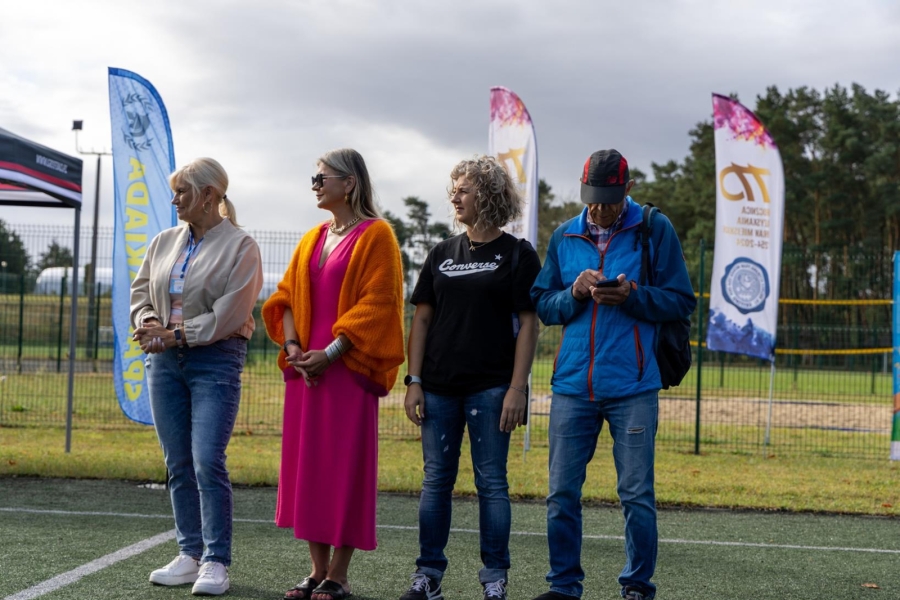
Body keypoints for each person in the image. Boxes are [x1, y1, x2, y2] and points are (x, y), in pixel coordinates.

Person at [530, 149, 696, 600]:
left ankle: (637, 586)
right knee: (561, 494)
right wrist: (574, 293)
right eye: (592, 197)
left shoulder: (653, 228)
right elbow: (543, 304)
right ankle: (564, 587)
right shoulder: (565, 236)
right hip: (571, 388)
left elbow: (681, 299)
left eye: (608, 198)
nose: (600, 207)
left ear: (628, 188)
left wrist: (633, 294)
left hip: (633, 386)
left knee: (636, 495)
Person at [262, 148, 405, 600]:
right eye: (314, 177)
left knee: (344, 468)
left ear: (351, 183)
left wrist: (333, 350)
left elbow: (380, 305)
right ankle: (315, 571)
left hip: (346, 370)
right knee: (309, 470)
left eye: (323, 177)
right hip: (307, 371)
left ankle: (338, 575)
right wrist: (294, 349)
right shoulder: (310, 238)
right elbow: (283, 299)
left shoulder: (378, 235)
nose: (315, 184)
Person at [400, 156, 541, 600]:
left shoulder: (518, 254)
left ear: (488, 194)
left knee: (491, 483)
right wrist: (414, 380)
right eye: (454, 190)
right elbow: (421, 320)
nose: (455, 197)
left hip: (493, 388)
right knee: (436, 480)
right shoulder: (442, 253)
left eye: (464, 189)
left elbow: (530, 325)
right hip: (438, 388)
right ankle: (428, 576)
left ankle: (495, 578)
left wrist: (517, 389)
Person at [131, 157, 263, 596]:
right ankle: (189, 555)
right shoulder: (164, 240)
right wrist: (149, 321)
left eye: (182, 192)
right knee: (177, 463)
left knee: (207, 459)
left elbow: (232, 313)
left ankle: (215, 561)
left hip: (215, 360)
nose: (174, 200)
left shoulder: (242, 246)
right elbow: (141, 288)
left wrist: (176, 335)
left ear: (209, 195)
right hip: (163, 361)